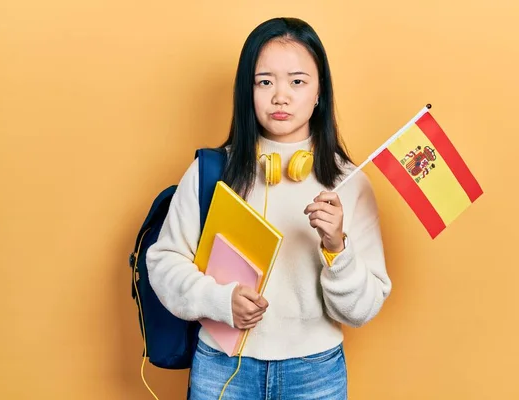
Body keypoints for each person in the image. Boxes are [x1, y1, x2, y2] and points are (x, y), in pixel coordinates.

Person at [146, 16, 392, 400]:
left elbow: (361, 310)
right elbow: (163, 263)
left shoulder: (350, 182)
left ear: (319, 92)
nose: (281, 96)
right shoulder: (212, 171)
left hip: (316, 374)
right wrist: (220, 301)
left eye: (297, 81)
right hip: (222, 367)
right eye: (265, 81)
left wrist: (336, 248)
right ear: (248, 91)